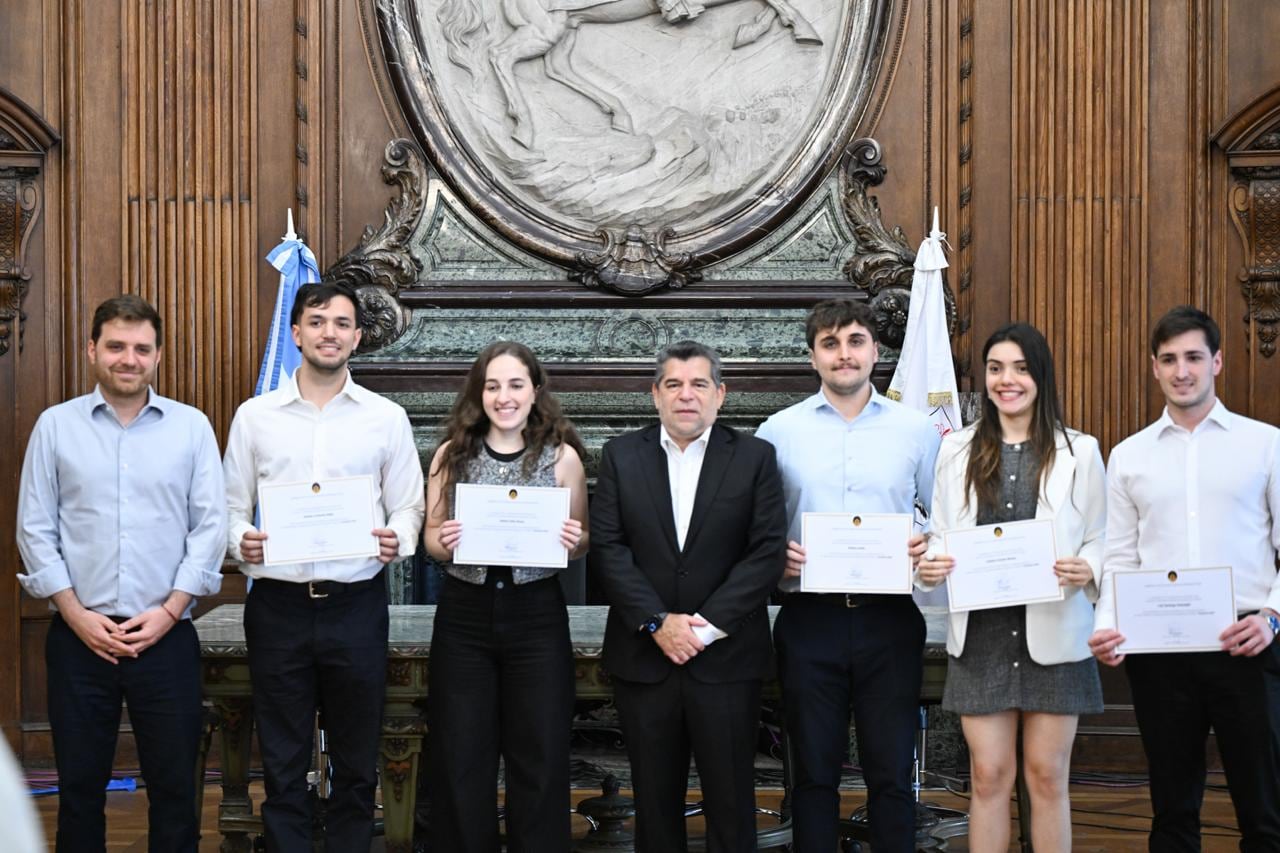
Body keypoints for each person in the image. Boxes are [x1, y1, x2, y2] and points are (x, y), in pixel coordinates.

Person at [16, 295, 226, 852]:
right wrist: (74, 613)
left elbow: (210, 528)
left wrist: (171, 610)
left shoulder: (192, 428)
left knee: (176, 789)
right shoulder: (55, 427)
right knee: (80, 790)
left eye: (141, 348)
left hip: (167, 635)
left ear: (158, 356)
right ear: (92, 350)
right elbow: (34, 528)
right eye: (116, 346)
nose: (128, 359)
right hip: (80, 638)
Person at [223, 281, 425, 851]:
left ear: (357, 337)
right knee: (284, 763)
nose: (328, 333)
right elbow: (228, 507)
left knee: (357, 762)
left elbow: (409, 504)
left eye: (340, 323)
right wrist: (244, 540)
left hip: (355, 606)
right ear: (295, 333)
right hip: (278, 608)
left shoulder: (385, 418)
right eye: (316, 322)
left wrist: (399, 537)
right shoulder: (254, 417)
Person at [1088, 306, 1280, 851]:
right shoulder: (1129, 456)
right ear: (1154, 367)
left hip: (1247, 642)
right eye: (1169, 359)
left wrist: (1272, 618)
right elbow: (1119, 556)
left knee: (1264, 812)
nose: (1182, 371)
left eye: (1194, 357)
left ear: (1216, 361)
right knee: (1172, 810)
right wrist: (1108, 625)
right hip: (1159, 649)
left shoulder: (1265, 444)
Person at [754, 298, 939, 853]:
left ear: (875, 352)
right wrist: (774, 557)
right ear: (812, 357)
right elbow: (756, 531)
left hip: (890, 621)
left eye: (855, 341)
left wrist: (925, 544)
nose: (844, 354)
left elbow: (945, 519)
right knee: (812, 775)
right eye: (830, 344)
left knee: (890, 776)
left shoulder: (918, 431)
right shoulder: (778, 431)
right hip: (809, 620)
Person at [915, 323, 1105, 852]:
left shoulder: (1080, 452)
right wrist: (930, 566)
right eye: (996, 368)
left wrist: (1087, 567)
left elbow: (1103, 538)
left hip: (1055, 638)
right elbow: (939, 537)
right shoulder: (956, 450)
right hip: (982, 638)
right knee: (988, 777)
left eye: (1020, 368)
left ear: (1040, 375)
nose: (1007, 380)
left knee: (1047, 778)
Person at [591, 340, 787, 853]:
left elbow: (765, 553)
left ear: (720, 395)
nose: (686, 395)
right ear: (655, 395)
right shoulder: (620, 456)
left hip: (726, 658)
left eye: (699, 384)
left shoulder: (755, 457)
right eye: (673, 384)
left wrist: (701, 626)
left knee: (731, 802)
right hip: (645, 658)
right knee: (654, 805)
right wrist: (658, 622)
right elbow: (609, 550)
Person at [422, 341, 589, 852]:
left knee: (537, 752)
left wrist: (572, 539)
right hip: (464, 615)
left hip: (536, 613)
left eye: (515, 384)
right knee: (461, 753)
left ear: (534, 391)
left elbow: (582, 540)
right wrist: (444, 543)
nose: (504, 396)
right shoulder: (452, 453)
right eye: (492, 386)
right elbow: (430, 540)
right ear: (480, 393)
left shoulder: (563, 458)